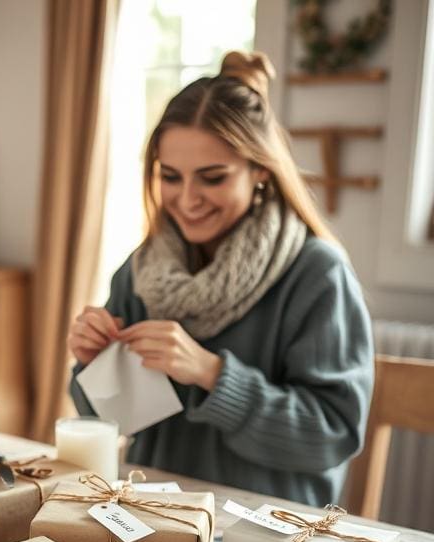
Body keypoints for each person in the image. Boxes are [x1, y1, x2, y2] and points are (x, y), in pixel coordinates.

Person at [68, 51, 373, 507]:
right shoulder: (142, 271)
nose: (187, 199)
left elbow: (331, 436)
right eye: (170, 176)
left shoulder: (317, 275)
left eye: (211, 178)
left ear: (260, 173)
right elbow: (111, 421)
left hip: (269, 537)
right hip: (153, 517)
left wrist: (212, 374)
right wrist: (95, 364)